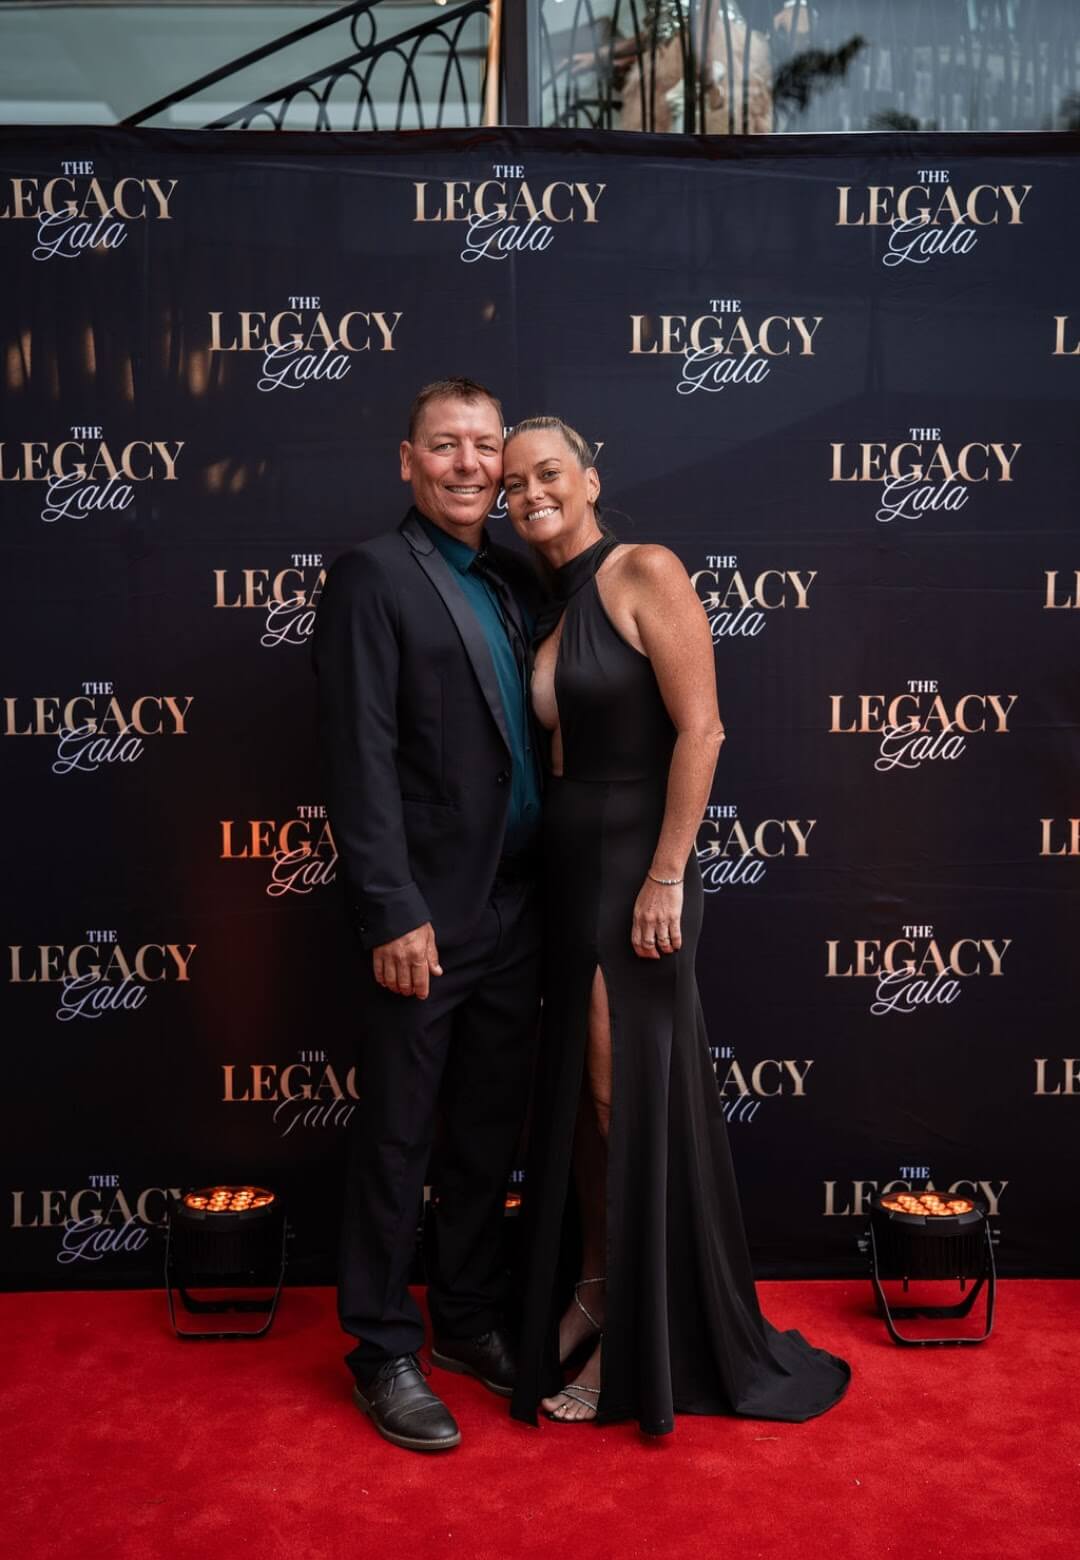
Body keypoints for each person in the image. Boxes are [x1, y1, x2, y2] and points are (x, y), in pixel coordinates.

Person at [501, 416, 850, 1433]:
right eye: (514, 484)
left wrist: (666, 874)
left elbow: (703, 728)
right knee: (582, 1101)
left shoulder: (645, 570)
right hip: (567, 872)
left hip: (636, 872)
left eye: (548, 473)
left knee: (625, 1101)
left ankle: (640, 1331)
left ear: (590, 478)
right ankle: (595, 1288)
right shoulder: (546, 603)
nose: (530, 494)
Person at [313, 378, 544, 1453]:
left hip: (518, 905)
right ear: (407, 461)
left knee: (488, 1132)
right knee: (399, 1135)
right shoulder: (372, 573)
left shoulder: (512, 578)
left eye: (484, 446)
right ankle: (380, 1347)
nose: (468, 464)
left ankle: (464, 1317)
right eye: (445, 445)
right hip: (424, 916)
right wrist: (389, 906)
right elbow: (356, 751)